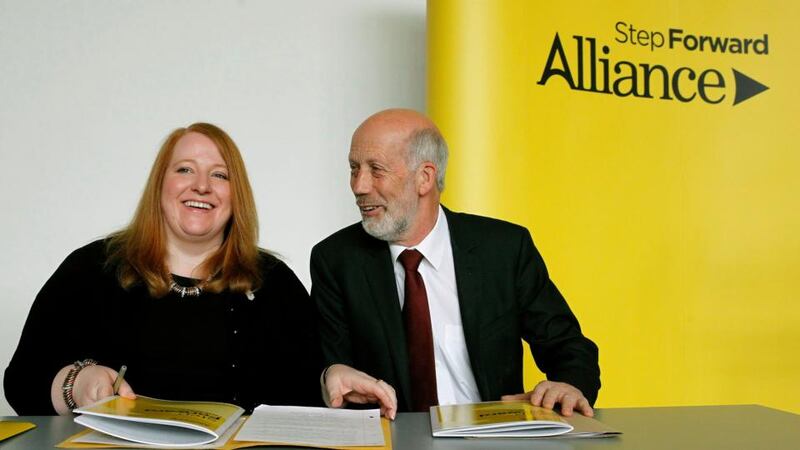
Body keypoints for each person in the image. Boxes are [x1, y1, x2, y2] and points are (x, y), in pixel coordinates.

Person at [4, 123, 322, 415]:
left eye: (220, 175)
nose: (201, 186)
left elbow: (311, 395)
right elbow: (21, 384)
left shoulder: (275, 282)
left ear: (237, 195)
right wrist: (76, 383)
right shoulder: (91, 269)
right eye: (185, 170)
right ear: (159, 185)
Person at [311, 109, 600, 420]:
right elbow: (326, 365)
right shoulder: (336, 259)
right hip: (393, 440)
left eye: (376, 170)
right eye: (354, 169)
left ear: (424, 177)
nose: (359, 186)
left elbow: (570, 348)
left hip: (493, 439)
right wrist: (330, 374)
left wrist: (568, 385)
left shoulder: (503, 249)